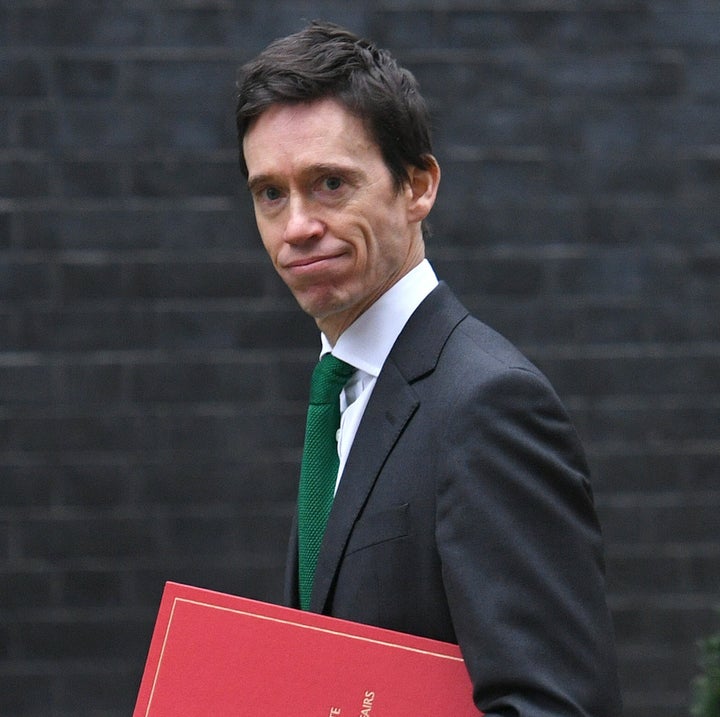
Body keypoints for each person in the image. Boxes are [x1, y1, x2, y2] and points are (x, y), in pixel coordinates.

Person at [235, 21, 622, 716]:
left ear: (418, 186)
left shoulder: (489, 404)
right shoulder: (346, 392)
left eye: (329, 183)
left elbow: (559, 705)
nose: (296, 226)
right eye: (271, 193)